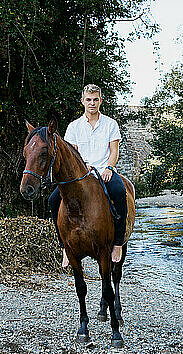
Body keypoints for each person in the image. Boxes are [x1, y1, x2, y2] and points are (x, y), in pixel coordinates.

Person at [49, 84, 127, 267]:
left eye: (95, 99)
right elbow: (71, 154)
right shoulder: (74, 126)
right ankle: (65, 248)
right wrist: (83, 166)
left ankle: (117, 243)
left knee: (120, 192)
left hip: (104, 172)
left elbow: (114, 151)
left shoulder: (110, 124)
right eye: (88, 99)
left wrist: (109, 167)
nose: (92, 103)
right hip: (82, 174)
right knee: (53, 200)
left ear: (100, 101)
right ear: (82, 101)